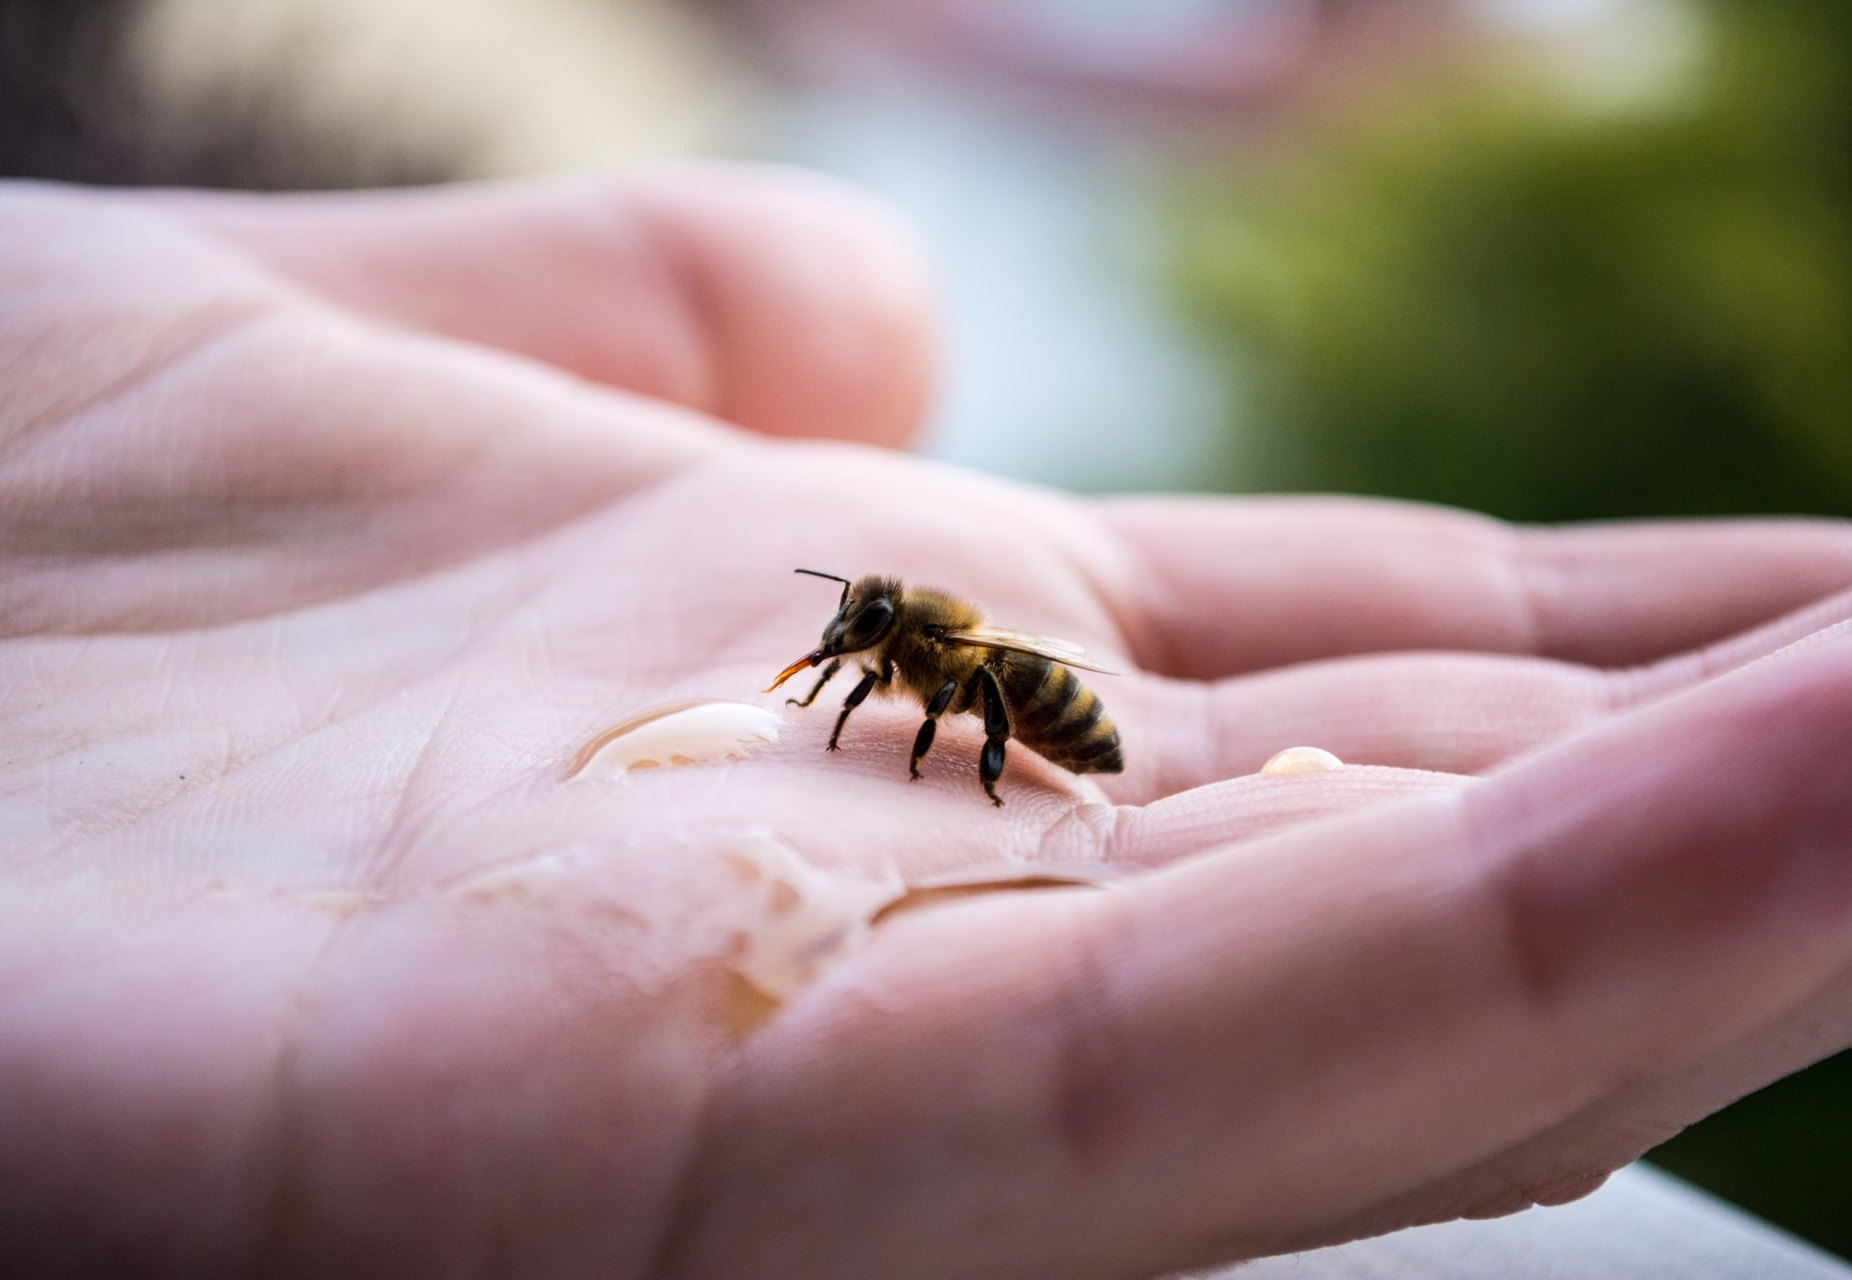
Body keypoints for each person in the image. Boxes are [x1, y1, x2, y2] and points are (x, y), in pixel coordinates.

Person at [3, 171, 1851, 1279]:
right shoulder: (891, 642)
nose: (840, 649)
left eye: (856, 637)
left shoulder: (947, 676)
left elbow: (933, 693)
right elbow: (856, 664)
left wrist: (949, 758)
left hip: (1055, 726)